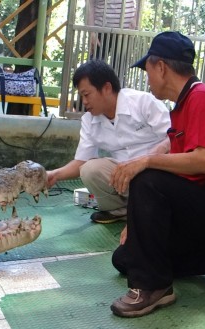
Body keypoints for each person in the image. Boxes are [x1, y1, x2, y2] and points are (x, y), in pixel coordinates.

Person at [109, 31, 205, 318]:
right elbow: (177, 168)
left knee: (147, 178)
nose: (147, 77)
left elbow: (203, 162)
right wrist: (138, 224)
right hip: (203, 204)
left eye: (148, 69)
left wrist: (146, 161)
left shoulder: (202, 97)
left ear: (161, 66)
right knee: (126, 258)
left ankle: (154, 288)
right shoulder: (183, 107)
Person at [46, 59, 170, 224]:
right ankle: (121, 210)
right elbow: (82, 161)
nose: (84, 102)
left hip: (156, 174)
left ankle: (154, 209)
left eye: (87, 94)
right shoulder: (89, 121)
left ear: (106, 88)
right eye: (81, 96)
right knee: (89, 169)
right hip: (125, 178)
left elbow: (173, 137)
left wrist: (147, 160)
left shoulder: (143, 102)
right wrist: (55, 174)